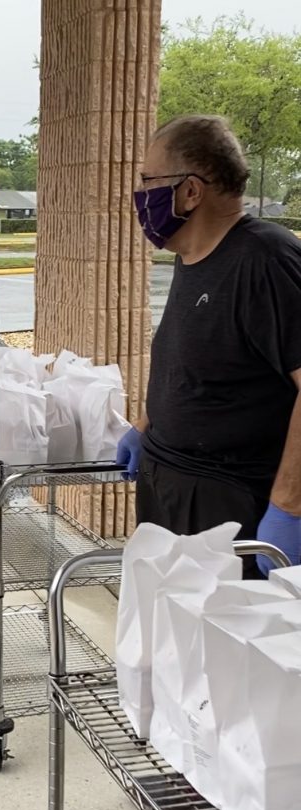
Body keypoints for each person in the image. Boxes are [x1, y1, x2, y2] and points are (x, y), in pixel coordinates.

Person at [117, 114, 301, 575]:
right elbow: (194, 362)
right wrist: (146, 424)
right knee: (166, 640)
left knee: (214, 645)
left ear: (191, 191)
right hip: (169, 486)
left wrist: (289, 506)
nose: (139, 195)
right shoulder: (192, 255)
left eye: (147, 180)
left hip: (230, 503)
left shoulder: (265, 261)